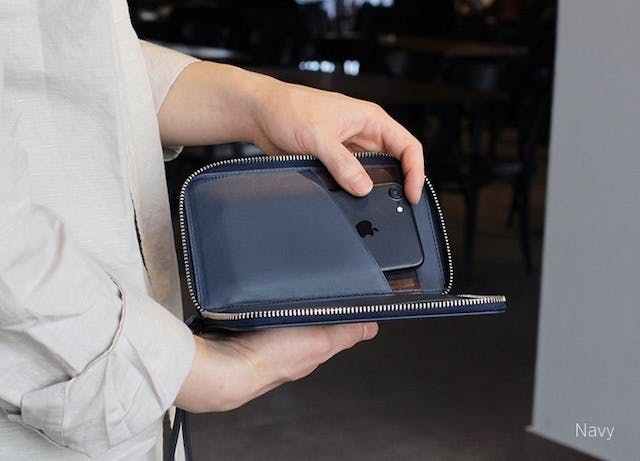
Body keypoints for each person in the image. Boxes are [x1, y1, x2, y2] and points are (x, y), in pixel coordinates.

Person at [0, 2, 423, 460]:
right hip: (58, 395)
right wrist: (193, 371)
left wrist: (259, 103)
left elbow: (53, 53)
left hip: (115, 380)